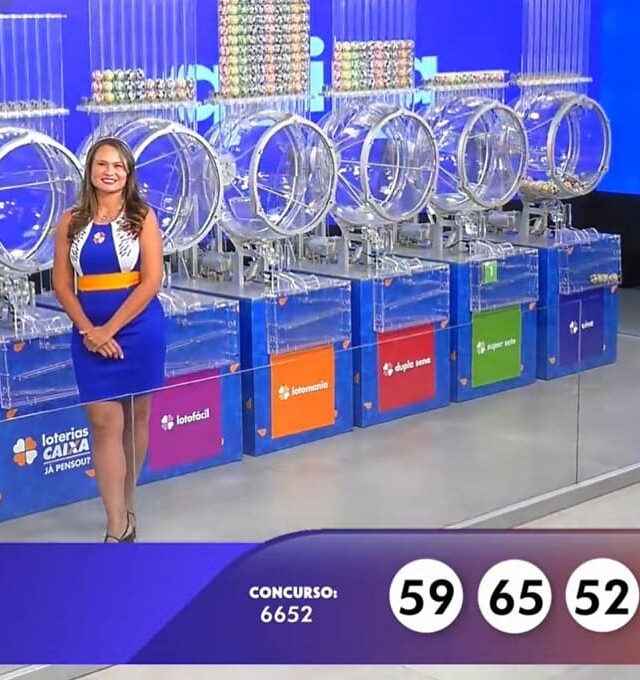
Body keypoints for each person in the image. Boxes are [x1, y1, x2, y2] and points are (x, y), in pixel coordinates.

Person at [53, 137, 166, 543]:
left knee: (136, 418)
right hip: (89, 334)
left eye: (118, 166)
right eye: (102, 164)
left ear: (128, 173)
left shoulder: (142, 217)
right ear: (90, 171)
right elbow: (62, 285)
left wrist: (109, 330)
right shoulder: (70, 220)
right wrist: (90, 330)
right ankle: (116, 524)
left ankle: (128, 502)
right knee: (104, 423)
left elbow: (152, 281)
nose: (110, 172)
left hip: (138, 330)